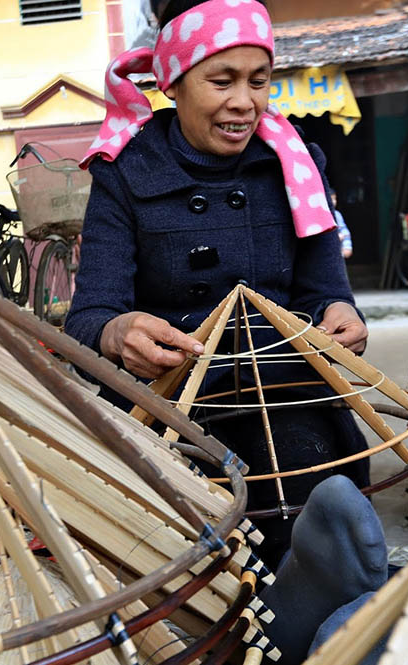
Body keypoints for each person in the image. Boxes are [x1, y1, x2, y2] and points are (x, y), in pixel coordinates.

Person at [66, 0, 370, 565]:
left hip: (284, 396)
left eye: (260, 81)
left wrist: (340, 315)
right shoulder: (125, 172)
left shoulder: (297, 163)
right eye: (222, 80)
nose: (245, 102)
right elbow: (87, 319)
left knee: (312, 515)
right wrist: (118, 332)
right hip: (173, 410)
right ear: (174, 83)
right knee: (200, 544)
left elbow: (326, 293)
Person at [331, 191, 352, 259]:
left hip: (338, 254)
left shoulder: (337, 215)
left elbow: (344, 231)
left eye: (335, 199)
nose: (334, 202)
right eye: (331, 199)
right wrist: (335, 237)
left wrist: (347, 246)